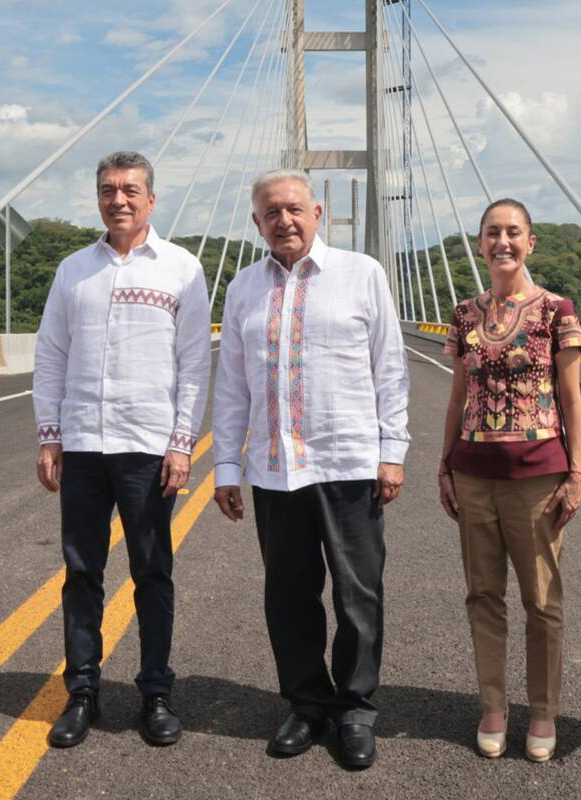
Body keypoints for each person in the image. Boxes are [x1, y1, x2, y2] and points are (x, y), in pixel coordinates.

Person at [210, 169, 410, 770]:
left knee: (357, 595)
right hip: (276, 471)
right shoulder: (244, 287)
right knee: (289, 596)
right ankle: (305, 702)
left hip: (347, 462)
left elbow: (390, 369)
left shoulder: (361, 274)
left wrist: (392, 451)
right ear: (256, 223)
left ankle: (354, 709)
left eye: (294, 209)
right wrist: (225, 464)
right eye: (271, 213)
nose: (284, 221)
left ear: (317, 212)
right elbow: (232, 386)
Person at [33, 151, 212, 748]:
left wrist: (182, 444)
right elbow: (51, 354)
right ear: (98, 198)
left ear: (151, 200)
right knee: (82, 572)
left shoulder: (182, 269)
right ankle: (82, 691)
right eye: (108, 190)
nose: (119, 200)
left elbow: (193, 364)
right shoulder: (72, 270)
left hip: (146, 445)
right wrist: (49, 435)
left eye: (131, 190)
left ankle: (156, 693)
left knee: (152, 572)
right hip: (83, 442)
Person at [437, 198, 581, 763]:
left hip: (537, 478)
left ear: (531, 242)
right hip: (474, 474)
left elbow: (571, 399)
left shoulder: (556, 311)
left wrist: (576, 473)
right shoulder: (464, 314)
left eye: (513, 232)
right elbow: (457, 396)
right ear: (479, 243)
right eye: (492, 233)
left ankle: (543, 712)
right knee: (482, 595)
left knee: (542, 600)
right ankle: (494, 707)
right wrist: (444, 465)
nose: (503, 241)